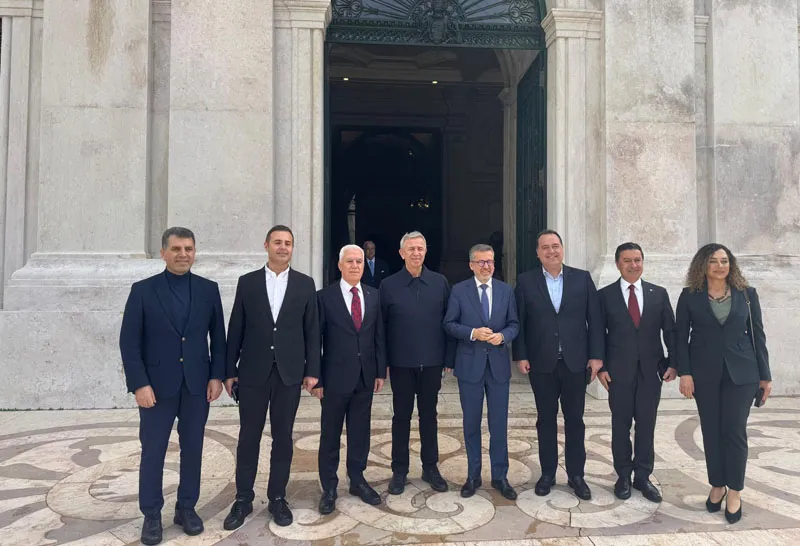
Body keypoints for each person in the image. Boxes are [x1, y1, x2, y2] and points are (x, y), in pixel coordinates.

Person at [120, 227, 226, 545]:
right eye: (177, 249)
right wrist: (139, 384)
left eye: (188, 249)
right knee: (153, 451)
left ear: (195, 252)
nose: (183, 254)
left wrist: (216, 376)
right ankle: (152, 514)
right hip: (156, 387)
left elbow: (218, 338)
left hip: (196, 386)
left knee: (193, 449)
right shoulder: (143, 290)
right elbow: (129, 342)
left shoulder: (208, 290)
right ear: (163, 252)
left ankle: (186, 508)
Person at [223, 225, 320, 529]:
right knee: (248, 437)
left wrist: (312, 371)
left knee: (283, 438)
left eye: (288, 243)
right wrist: (229, 371)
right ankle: (243, 498)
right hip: (253, 372)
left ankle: (277, 497)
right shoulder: (248, 282)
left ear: (293, 248)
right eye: (277, 242)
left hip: (288, 374)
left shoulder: (305, 284)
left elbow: (312, 331)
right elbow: (236, 328)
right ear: (266, 245)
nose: (283, 247)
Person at [676, 243, 772, 524]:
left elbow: (758, 336)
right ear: (702, 265)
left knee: (734, 431)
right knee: (711, 431)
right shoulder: (689, 296)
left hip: (742, 374)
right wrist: (685, 373)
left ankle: (735, 491)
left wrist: (765, 376)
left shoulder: (747, 295)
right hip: (704, 375)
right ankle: (717, 484)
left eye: (725, 261)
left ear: (731, 265)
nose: (720, 266)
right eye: (714, 261)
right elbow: (681, 337)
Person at [512, 229, 603, 501]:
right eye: (545, 247)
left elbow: (595, 320)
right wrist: (521, 355)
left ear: (562, 249)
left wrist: (596, 356)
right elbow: (520, 322)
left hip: (576, 362)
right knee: (545, 420)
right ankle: (548, 474)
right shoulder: (525, 281)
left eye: (555, 246)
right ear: (537, 253)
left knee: (575, 420)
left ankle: (576, 475)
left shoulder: (582, 278)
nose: (551, 251)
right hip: (541, 362)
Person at [597, 242, 676, 503]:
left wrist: (673, 363)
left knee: (646, 425)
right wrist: (602, 367)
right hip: (617, 373)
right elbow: (597, 333)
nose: (633, 265)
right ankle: (623, 475)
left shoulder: (658, 294)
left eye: (637, 260)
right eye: (627, 260)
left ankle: (643, 476)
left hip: (651, 373)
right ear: (617, 264)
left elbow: (670, 331)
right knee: (620, 425)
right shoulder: (605, 295)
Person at [379, 231, 454, 494]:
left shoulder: (440, 282)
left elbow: (449, 321)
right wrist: (383, 362)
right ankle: (399, 470)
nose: (416, 253)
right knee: (401, 417)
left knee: (429, 416)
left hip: (432, 362)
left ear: (425, 252)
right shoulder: (388, 285)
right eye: (411, 249)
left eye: (420, 248)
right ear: (401, 253)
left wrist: (449, 357)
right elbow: (381, 328)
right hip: (401, 363)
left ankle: (430, 467)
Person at [315, 245, 387, 514]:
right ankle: (329, 487)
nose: (355, 265)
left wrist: (379, 371)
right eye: (350, 261)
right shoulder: (324, 297)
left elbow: (379, 335)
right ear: (340, 265)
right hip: (334, 378)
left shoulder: (373, 295)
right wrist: (316, 378)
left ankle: (357, 479)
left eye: (359, 261)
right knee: (330, 434)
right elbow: (315, 340)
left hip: (365, 376)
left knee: (360, 432)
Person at [443, 244, 519, 499]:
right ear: (471, 265)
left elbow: (514, 324)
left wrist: (503, 336)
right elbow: (449, 324)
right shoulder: (459, 290)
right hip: (470, 367)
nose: (486, 266)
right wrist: (473, 333)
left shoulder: (506, 291)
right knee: (471, 424)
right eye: (481, 262)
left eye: (490, 262)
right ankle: (473, 476)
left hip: (498, 368)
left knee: (498, 425)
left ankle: (500, 476)